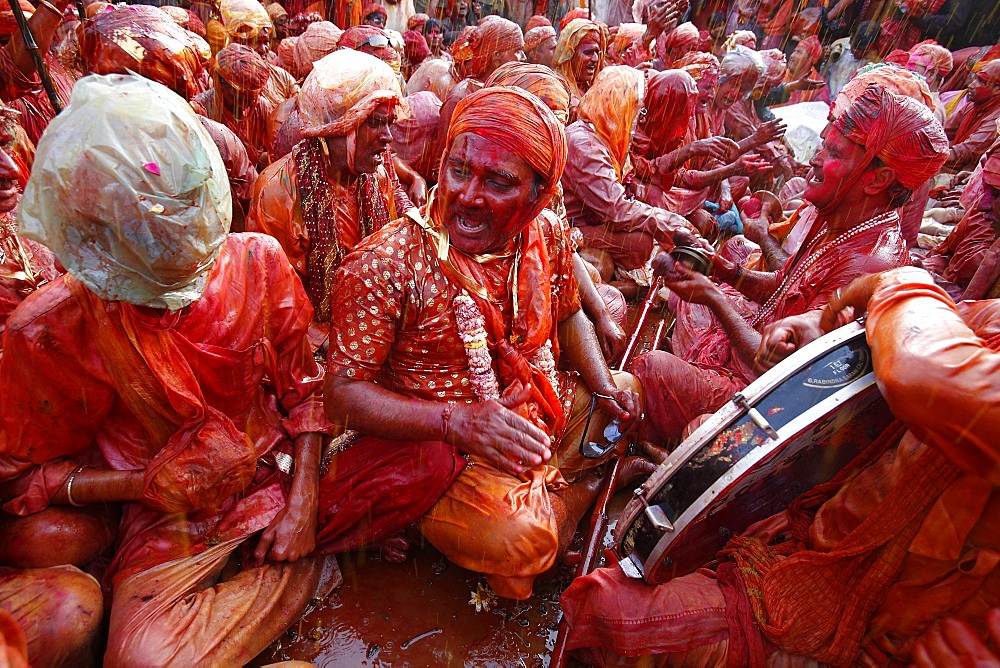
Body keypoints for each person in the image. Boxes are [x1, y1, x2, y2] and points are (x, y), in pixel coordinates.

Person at [0, 73, 463, 666]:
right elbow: (20, 481)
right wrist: (139, 485)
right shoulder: (50, 329)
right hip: (166, 512)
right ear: (93, 238)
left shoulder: (253, 262)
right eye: (147, 247)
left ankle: (294, 550)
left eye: (188, 230)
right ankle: (304, 567)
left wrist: (300, 502)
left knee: (430, 450)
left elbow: (307, 393)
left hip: (279, 470)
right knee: (140, 659)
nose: (182, 268)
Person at [325, 86, 647, 601]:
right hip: (441, 449)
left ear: (537, 196)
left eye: (497, 182)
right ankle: (585, 489)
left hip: (539, 413)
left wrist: (604, 388)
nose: (468, 196)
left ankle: (551, 490)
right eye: (458, 171)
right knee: (524, 543)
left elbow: (567, 315)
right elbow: (340, 396)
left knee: (628, 391)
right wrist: (460, 423)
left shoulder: (545, 235)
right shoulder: (386, 262)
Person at [631, 85, 949, 446]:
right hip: (758, 338)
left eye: (832, 152)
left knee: (650, 367)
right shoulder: (838, 216)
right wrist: (720, 270)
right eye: (823, 143)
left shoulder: (869, 263)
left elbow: (778, 372)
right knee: (701, 291)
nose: (814, 158)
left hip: (768, 397)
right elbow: (782, 285)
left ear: (877, 180)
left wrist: (712, 297)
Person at [247, 51, 413, 337]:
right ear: (335, 128)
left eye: (389, 123)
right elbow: (273, 299)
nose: (387, 137)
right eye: (373, 123)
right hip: (307, 338)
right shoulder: (278, 191)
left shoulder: (378, 179)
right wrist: (331, 345)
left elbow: (387, 265)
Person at [561, 66, 705, 274]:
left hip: (594, 216)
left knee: (648, 228)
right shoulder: (586, 145)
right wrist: (668, 222)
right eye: (638, 108)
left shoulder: (603, 134)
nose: (642, 118)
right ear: (617, 105)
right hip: (575, 224)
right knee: (640, 243)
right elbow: (616, 210)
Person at [191, 43, 274, 168]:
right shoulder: (200, 110)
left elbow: (273, 152)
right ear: (220, 83)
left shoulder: (263, 107)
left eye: (250, 100)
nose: (242, 106)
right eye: (237, 98)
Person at [943, 60, 1000, 172]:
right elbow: (945, 131)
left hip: (965, 174)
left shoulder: (997, 118)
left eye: (981, 81)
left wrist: (931, 156)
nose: (971, 85)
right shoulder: (973, 105)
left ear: (997, 89)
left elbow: (969, 149)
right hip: (950, 162)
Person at [552, 18, 606, 114]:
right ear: (570, 55)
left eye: (597, 52)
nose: (595, 59)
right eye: (588, 52)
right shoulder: (555, 88)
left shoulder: (593, 87)